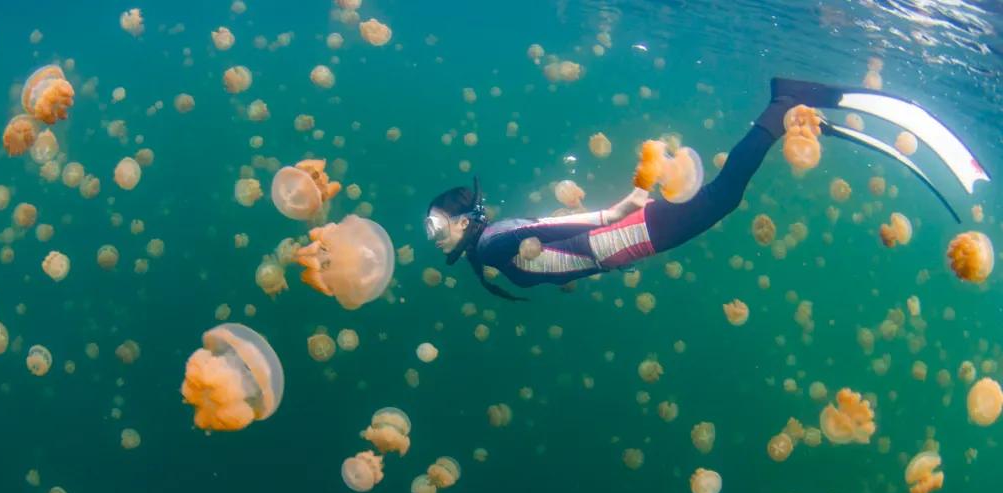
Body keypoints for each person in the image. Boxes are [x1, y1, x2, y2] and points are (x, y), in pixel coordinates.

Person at [424, 78, 991, 300]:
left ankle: (780, 108)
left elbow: (549, 227)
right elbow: (545, 244)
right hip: (617, 244)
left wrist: (615, 212)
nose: (435, 236)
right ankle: (778, 111)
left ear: (464, 218)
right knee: (723, 196)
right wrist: (568, 274)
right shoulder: (488, 250)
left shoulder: (491, 244)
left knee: (723, 196)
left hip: (624, 235)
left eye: (436, 225)